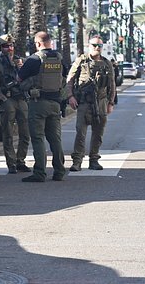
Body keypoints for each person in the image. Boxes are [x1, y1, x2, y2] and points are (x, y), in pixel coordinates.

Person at [17, 31, 67, 182]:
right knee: (55, 139)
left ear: (38, 44)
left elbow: (19, 78)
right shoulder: (59, 58)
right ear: (50, 42)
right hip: (55, 103)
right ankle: (59, 171)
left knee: (38, 138)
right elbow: (64, 77)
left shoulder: (34, 59)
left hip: (38, 103)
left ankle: (40, 172)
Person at [66, 36, 116, 171]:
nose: (97, 48)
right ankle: (77, 161)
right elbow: (70, 79)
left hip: (101, 102)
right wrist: (70, 96)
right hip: (84, 103)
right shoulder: (81, 61)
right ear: (89, 45)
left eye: (100, 45)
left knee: (98, 134)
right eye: (94, 45)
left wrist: (111, 103)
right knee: (80, 133)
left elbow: (112, 85)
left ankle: (94, 159)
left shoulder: (106, 63)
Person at [0, 33, 31, 174]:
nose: (9, 48)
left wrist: (21, 68)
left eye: (11, 45)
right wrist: (2, 99)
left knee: (25, 133)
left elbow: (29, 80)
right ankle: (11, 163)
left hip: (21, 98)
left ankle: (21, 161)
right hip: (7, 99)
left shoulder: (20, 61)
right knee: (8, 134)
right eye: (6, 46)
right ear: (0, 48)